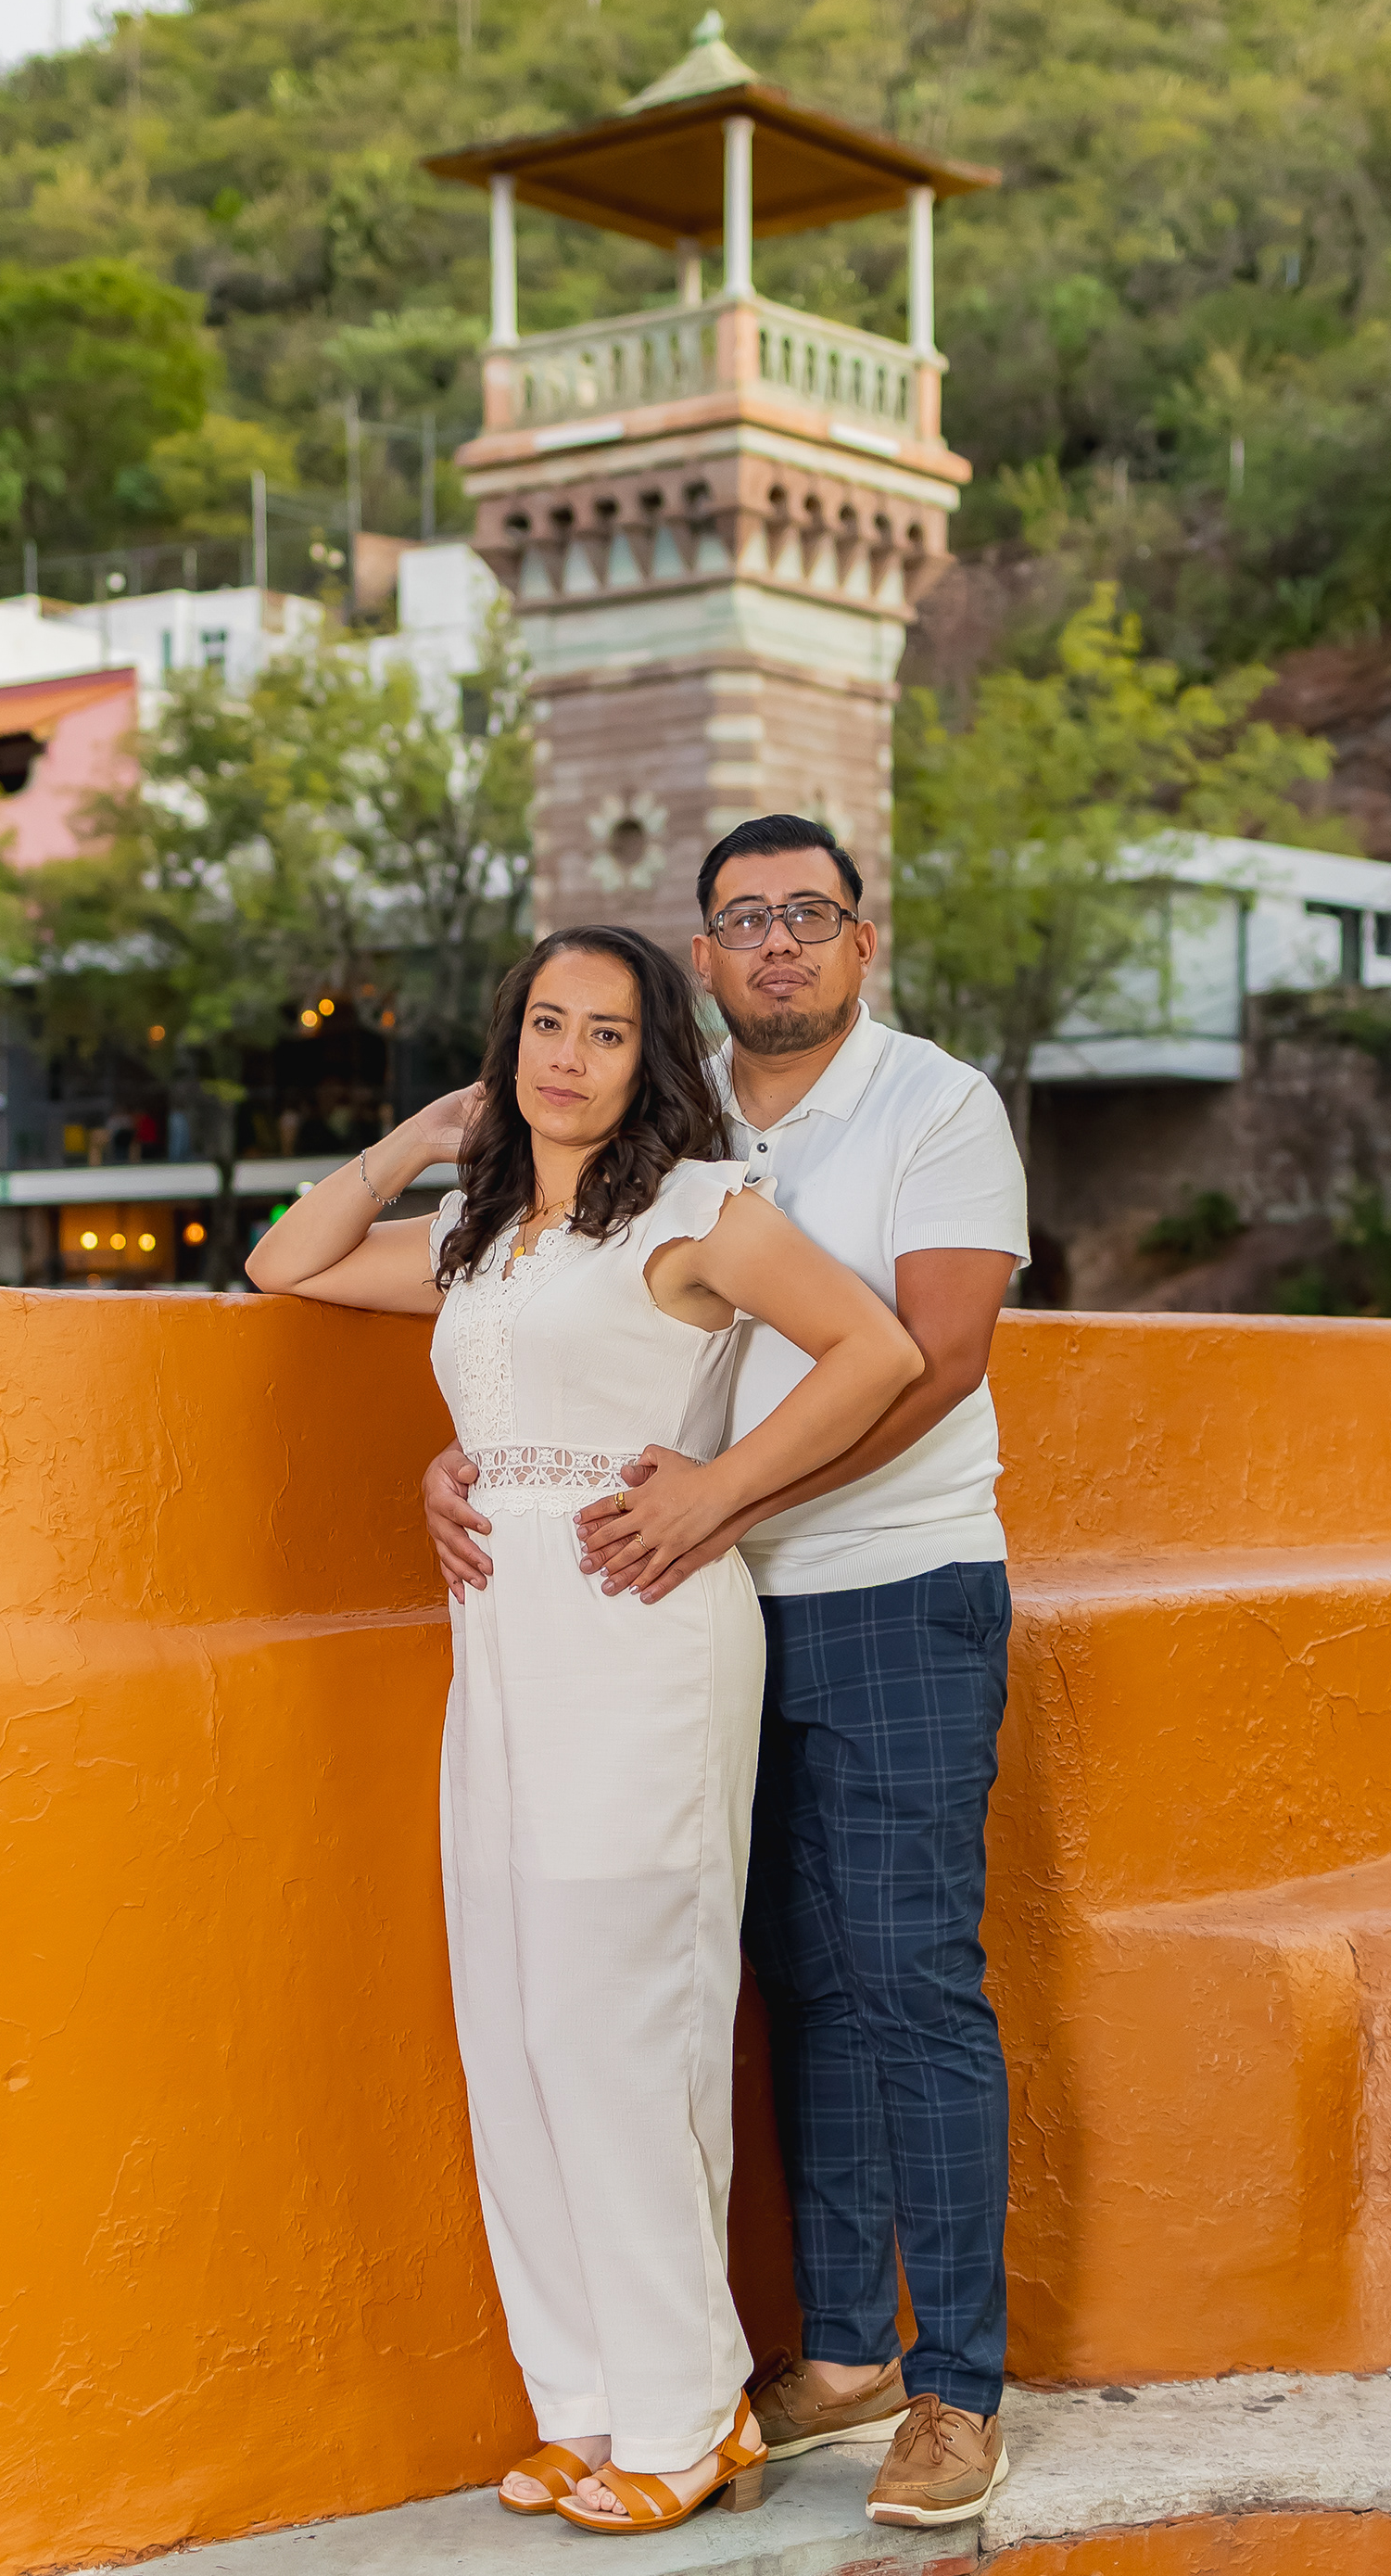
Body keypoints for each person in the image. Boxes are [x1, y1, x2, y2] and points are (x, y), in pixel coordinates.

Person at [247, 923, 922, 2538]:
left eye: (605, 1032)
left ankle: (692, 2414)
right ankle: (588, 2405)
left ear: (651, 1059)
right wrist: (426, 1134)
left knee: (625, 2026)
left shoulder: (700, 1213)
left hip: (644, 1638)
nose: (567, 1057)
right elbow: (286, 1263)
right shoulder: (480, 1233)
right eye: (544, 1025)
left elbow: (883, 1350)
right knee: (519, 2023)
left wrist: (723, 1488)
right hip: (503, 1650)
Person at [425, 819, 1028, 2532]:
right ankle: (837, 2353)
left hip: (892, 1582)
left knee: (911, 1979)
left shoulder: (935, 1105)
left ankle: (957, 2387)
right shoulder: (665, 1137)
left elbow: (935, 1356)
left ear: (860, 939)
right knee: (779, 1989)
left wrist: (721, 1497)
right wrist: (487, 1461)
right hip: (696, 1610)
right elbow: (570, 1340)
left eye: (808, 915)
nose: (778, 943)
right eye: (744, 919)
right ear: (702, 958)